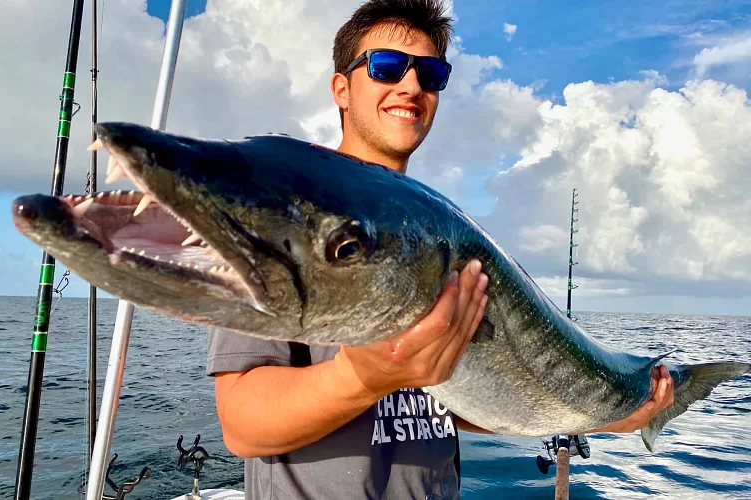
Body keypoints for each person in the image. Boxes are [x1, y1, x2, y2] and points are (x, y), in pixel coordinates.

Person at [207, 1, 675, 498]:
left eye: (430, 74)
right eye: (385, 67)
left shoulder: (438, 234)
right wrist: (363, 378)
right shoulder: (291, 215)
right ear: (341, 88)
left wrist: (602, 418)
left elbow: (459, 403)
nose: (411, 86)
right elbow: (242, 424)